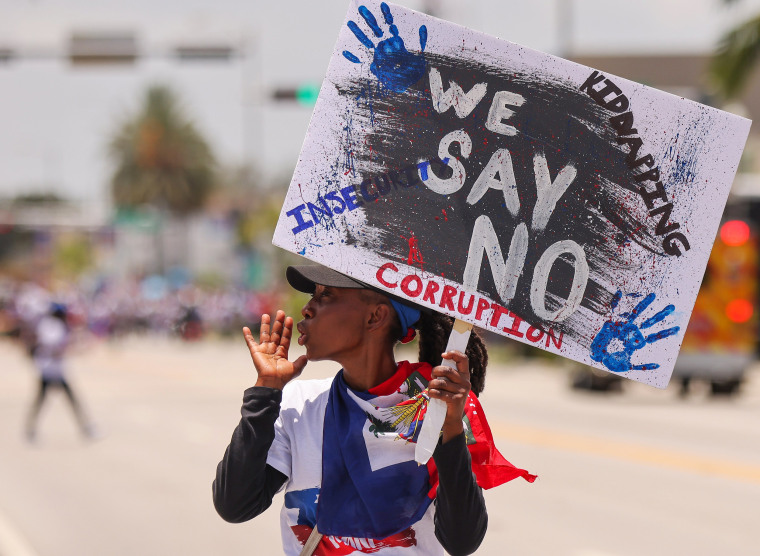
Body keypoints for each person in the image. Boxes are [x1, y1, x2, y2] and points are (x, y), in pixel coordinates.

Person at [213, 265, 535, 555]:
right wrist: (265, 391)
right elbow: (234, 505)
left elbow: (463, 541)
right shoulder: (299, 403)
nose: (307, 308)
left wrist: (450, 428)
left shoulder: (437, 407)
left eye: (326, 295)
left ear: (375, 317)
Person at [25, 302, 97, 442]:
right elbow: (54, 348)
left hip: (52, 369)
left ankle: (30, 430)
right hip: (50, 370)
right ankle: (86, 428)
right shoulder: (52, 326)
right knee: (68, 400)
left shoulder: (50, 325)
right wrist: (74, 349)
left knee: (50, 401)